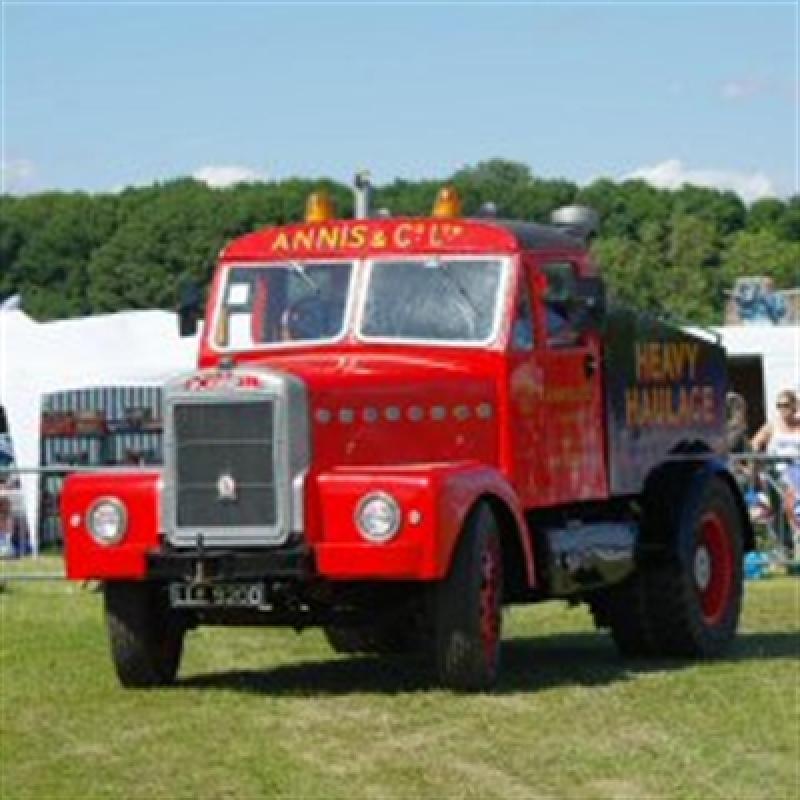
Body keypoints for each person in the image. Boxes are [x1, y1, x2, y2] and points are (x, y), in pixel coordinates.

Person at [752, 389, 800, 464]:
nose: (782, 409)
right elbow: (754, 445)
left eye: (786, 405)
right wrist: (759, 462)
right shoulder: (771, 426)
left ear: (794, 406)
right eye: (779, 405)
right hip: (777, 472)